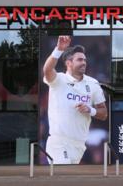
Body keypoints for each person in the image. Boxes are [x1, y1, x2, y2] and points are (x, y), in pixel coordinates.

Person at [43, 36, 108, 164]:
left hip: (79, 144)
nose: (84, 62)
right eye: (79, 60)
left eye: (84, 60)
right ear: (69, 63)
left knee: (65, 179)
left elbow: (104, 113)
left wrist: (91, 110)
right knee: (64, 174)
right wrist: (58, 50)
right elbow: (47, 70)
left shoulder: (93, 83)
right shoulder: (59, 79)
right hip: (59, 141)